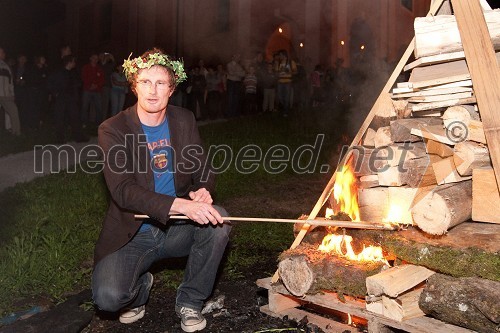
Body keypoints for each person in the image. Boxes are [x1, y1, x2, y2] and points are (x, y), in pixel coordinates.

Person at [92, 48, 231, 333]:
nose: (152, 91)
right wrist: (182, 205)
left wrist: (203, 190)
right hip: (134, 233)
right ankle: (141, 287)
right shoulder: (113, 129)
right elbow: (123, 190)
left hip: (176, 230)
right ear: (134, 85)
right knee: (107, 298)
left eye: (160, 83)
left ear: (172, 89)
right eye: (145, 82)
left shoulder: (183, 119)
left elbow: (201, 168)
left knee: (219, 221)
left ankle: (190, 300)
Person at [0, 47, 21, 135]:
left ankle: (16, 132)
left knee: (13, 111)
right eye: (2, 52)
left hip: (5, 95)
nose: (4, 54)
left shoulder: (6, 66)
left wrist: (12, 93)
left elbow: (10, 82)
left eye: (3, 52)